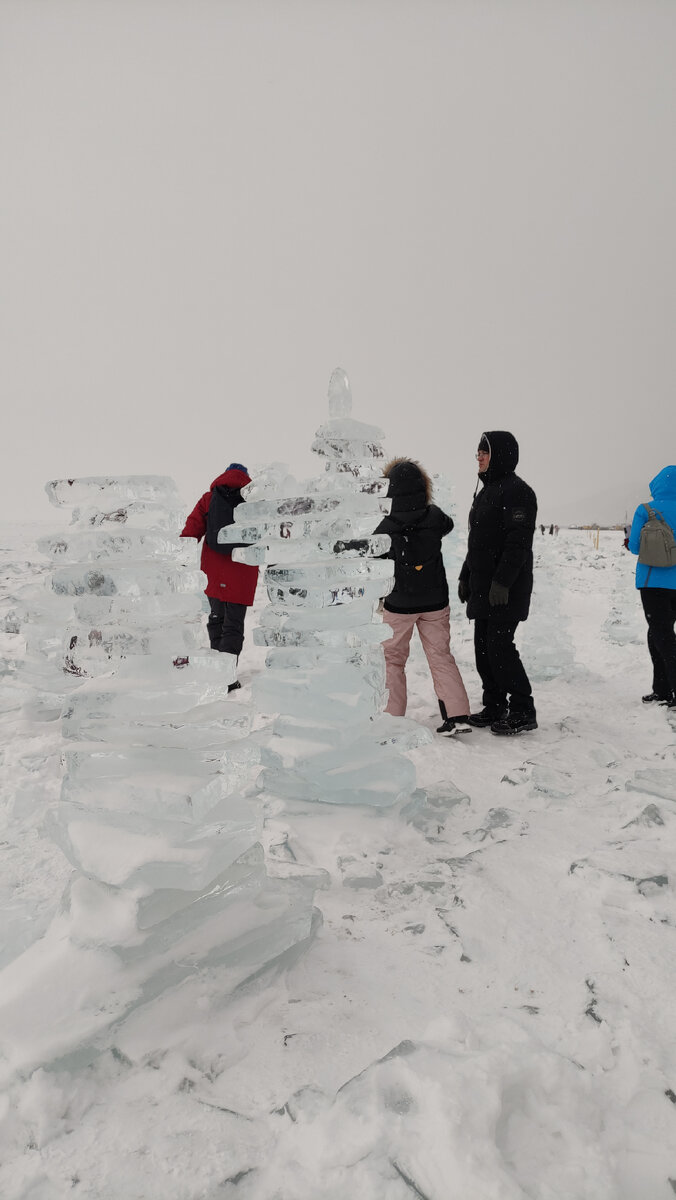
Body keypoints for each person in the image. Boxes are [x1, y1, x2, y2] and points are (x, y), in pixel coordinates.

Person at [374, 458, 471, 735]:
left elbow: (375, 553)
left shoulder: (385, 525)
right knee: (441, 656)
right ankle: (458, 714)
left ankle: (392, 718)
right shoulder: (435, 516)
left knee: (393, 659)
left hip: (399, 602)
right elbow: (449, 525)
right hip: (435, 601)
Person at [458, 432, 538, 735]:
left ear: (501, 455)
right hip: (483, 586)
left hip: (506, 589)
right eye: (477, 451)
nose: (478, 456)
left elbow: (518, 543)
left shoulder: (518, 492)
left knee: (499, 649)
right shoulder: (487, 491)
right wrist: (465, 575)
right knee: (482, 650)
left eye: (484, 451)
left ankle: (522, 709)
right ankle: (494, 705)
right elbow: (478, 543)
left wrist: (503, 582)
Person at [181, 463, 259, 691]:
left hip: (213, 570)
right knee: (233, 626)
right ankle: (225, 676)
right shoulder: (255, 501)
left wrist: (178, 555)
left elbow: (192, 527)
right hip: (242, 570)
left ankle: (217, 671)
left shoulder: (209, 498)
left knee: (217, 620)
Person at [627, 466, 676, 707]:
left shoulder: (645, 510)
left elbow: (635, 547)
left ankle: (670, 689)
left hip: (653, 582)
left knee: (663, 634)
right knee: (657, 632)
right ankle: (662, 689)